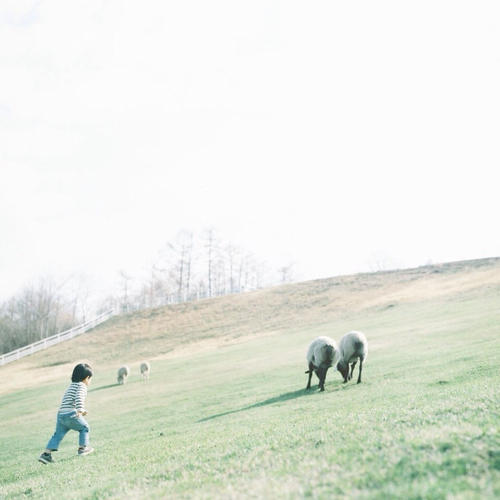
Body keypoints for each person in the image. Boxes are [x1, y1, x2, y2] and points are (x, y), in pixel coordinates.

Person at [38, 363, 94, 464]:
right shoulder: (82, 386)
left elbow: (68, 400)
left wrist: (80, 409)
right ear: (87, 378)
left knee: (58, 435)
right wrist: (80, 409)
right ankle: (83, 448)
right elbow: (79, 397)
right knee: (84, 427)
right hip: (71, 414)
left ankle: (46, 454)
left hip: (61, 415)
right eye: (90, 379)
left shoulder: (71, 386)